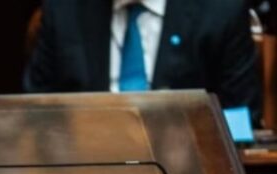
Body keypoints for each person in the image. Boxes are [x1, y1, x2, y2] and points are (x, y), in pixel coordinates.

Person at [24, 0, 263, 125]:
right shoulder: (64, 8)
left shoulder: (221, 11)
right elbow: (33, 115)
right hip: (84, 173)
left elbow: (239, 116)